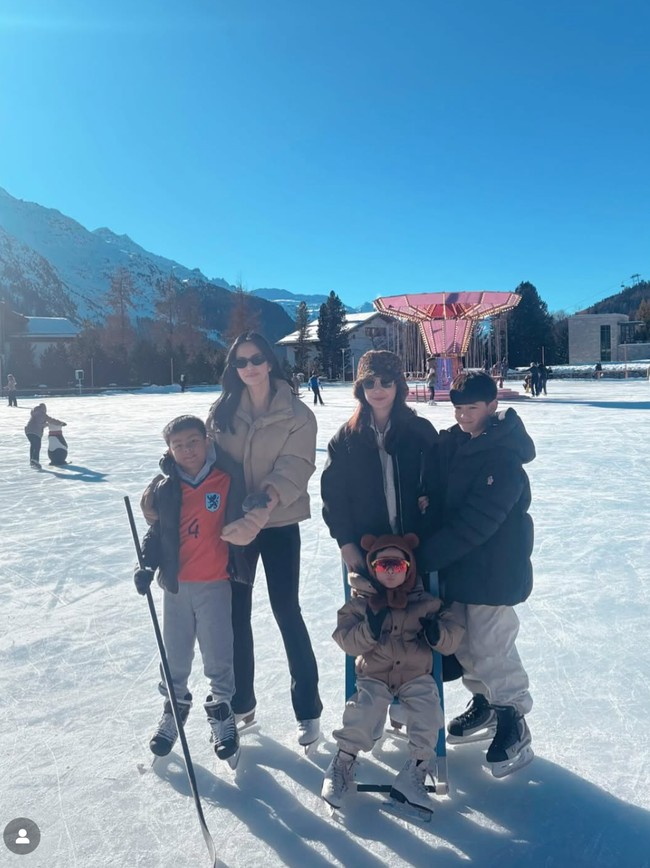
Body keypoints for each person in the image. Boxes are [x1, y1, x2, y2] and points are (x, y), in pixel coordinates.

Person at [206, 332, 323, 750]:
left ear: (270, 362)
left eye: (256, 358)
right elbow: (208, 462)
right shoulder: (223, 411)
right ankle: (242, 703)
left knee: (286, 609)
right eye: (241, 361)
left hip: (277, 523)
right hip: (234, 525)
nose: (250, 366)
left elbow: (294, 468)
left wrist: (262, 508)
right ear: (233, 368)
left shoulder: (296, 414)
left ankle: (308, 709)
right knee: (236, 612)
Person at [421, 370, 535, 778]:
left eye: (472, 408)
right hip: (461, 565)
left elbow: (479, 520)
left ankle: (513, 717)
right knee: (465, 643)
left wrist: (428, 554)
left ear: (492, 405)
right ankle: (485, 703)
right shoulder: (454, 442)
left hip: (494, 569)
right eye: (458, 408)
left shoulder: (503, 455)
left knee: (491, 643)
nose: (464, 416)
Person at [135, 414, 251, 763]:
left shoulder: (225, 479)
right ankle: (174, 708)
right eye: (178, 445)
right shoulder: (166, 488)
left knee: (218, 651)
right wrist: (145, 564)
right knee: (176, 652)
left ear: (206, 441)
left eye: (193, 442)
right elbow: (158, 534)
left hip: (216, 581)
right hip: (177, 585)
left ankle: (221, 712)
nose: (187, 450)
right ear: (169, 449)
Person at [321, 532, 465, 814]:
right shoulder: (362, 602)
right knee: (363, 710)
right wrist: (369, 630)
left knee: (428, 712)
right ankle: (342, 763)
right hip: (375, 675)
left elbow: (453, 634)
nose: (389, 572)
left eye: (397, 566)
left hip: (415, 675)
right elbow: (344, 639)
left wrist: (437, 634)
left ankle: (416, 772)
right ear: (372, 568)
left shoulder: (425, 602)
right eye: (382, 565)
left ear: (408, 569)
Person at [321, 350, 438, 575]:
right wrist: (345, 543)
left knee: (421, 609)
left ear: (398, 386)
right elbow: (334, 495)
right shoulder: (345, 438)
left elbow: (440, 479)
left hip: (417, 544)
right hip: (367, 548)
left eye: (386, 382)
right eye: (369, 382)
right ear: (360, 388)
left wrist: (430, 501)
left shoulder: (420, 431)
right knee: (370, 610)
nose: (377, 390)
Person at [24, 404, 65, 469]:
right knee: (37, 446)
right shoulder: (42, 414)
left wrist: (46, 425)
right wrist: (61, 423)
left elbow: (39, 423)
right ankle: (35, 460)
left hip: (28, 431)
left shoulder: (35, 413)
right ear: (43, 409)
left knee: (33, 445)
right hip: (35, 432)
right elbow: (51, 419)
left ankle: (32, 460)